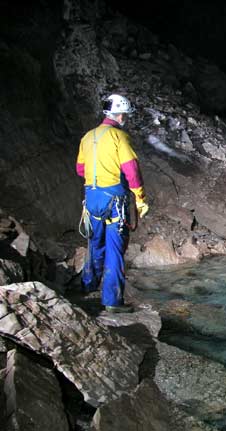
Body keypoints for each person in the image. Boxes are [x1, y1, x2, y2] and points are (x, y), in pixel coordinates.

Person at [76, 94, 149, 313]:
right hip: (114, 200)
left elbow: (80, 169)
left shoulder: (88, 137)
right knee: (115, 250)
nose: (125, 118)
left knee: (95, 244)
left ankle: (87, 287)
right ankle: (112, 301)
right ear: (119, 114)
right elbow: (131, 170)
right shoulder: (119, 136)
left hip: (92, 199)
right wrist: (140, 198)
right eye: (125, 114)